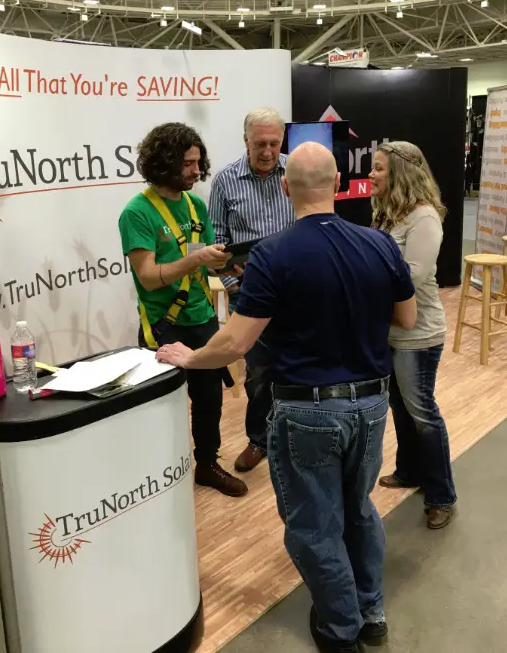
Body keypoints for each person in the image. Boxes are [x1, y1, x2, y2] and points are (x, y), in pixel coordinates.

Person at [157, 142, 417, 652]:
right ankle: (371, 611)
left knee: (315, 524)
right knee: (359, 509)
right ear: (339, 183)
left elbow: (236, 342)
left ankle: (340, 627)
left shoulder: (274, 254)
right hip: (370, 404)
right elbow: (405, 319)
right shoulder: (380, 244)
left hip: (308, 410)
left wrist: (189, 358)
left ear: (284, 187)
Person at [118, 122, 247, 498]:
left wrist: (226, 263)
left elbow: (201, 259)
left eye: (197, 163)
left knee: (210, 400)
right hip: (164, 324)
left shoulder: (195, 204)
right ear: (164, 163)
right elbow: (148, 277)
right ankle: (160, 476)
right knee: (165, 405)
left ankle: (206, 464)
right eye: (188, 164)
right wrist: (198, 261)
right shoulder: (137, 213)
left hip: (202, 316)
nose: (196, 171)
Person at [369, 141, 457, 530]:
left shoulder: (424, 218)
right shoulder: (388, 214)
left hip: (419, 335)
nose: (371, 175)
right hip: (390, 331)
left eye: (378, 169)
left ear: (400, 175)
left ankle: (441, 495)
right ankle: (409, 471)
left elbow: (413, 274)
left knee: (422, 414)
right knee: (400, 408)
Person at [209, 107, 295, 473]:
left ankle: (297, 439)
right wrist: (233, 277)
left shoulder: (297, 171)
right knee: (259, 374)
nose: (268, 151)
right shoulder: (226, 181)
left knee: (300, 366)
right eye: (260, 143)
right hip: (252, 293)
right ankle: (259, 440)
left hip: (298, 290)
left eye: (275, 143)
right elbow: (216, 243)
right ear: (245, 141)